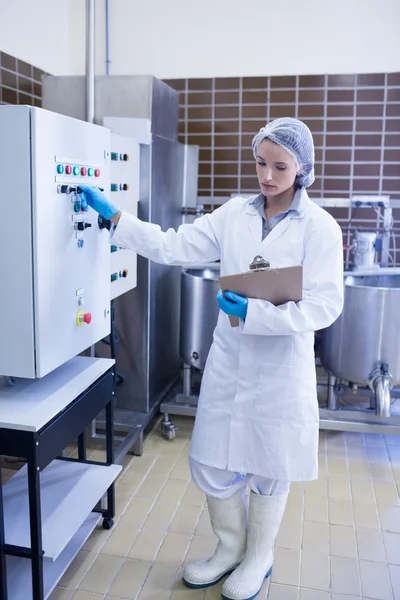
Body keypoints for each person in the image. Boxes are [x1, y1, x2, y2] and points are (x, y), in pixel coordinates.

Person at [79, 117, 344, 600]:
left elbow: (326, 305)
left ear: (303, 168)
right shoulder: (234, 214)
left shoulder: (320, 227)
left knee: (270, 462)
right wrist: (118, 220)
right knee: (214, 459)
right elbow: (174, 245)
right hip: (231, 360)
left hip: (281, 363)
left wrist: (259, 312)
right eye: (260, 163)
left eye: (279, 167)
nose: (266, 176)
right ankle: (228, 549)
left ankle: (258, 556)